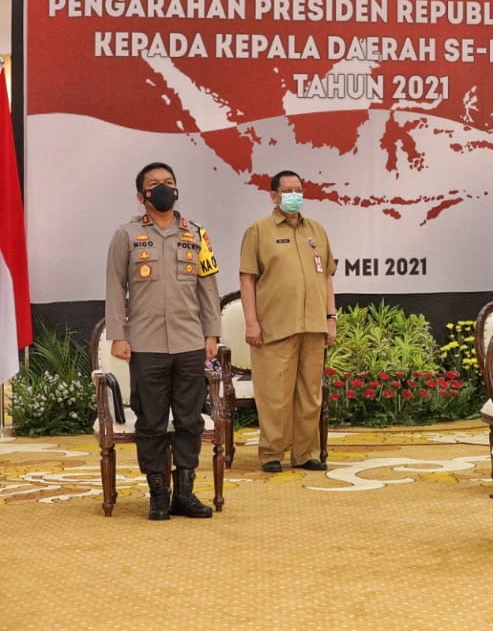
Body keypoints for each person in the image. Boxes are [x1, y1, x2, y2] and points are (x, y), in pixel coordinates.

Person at [104, 161, 220, 520]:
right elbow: (115, 288)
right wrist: (118, 336)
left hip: (189, 342)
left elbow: (208, 286)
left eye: (169, 181)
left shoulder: (196, 234)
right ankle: (158, 493)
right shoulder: (126, 234)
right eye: (154, 183)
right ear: (142, 195)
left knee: (189, 420)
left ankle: (184, 493)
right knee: (151, 422)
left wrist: (211, 333)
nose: (163, 187)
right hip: (146, 344)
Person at [239, 170, 337, 473]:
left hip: (313, 325)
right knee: (275, 395)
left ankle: (306, 453)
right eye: (288, 191)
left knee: (310, 395)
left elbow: (327, 277)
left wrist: (331, 318)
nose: (295, 196)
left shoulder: (316, 230)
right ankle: (272, 453)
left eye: (299, 190)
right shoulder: (258, 230)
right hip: (275, 326)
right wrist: (251, 322)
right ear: (274, 196)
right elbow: (247, 279)